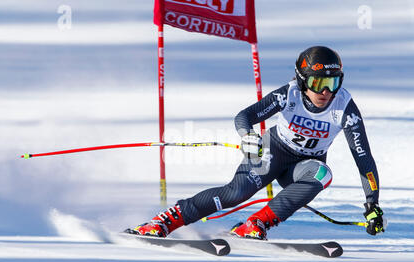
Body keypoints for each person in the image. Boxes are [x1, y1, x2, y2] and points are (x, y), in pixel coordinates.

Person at [128, 45, 385, 239]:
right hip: (272, 151)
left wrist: (372, 203)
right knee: (236, 193)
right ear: (302, 80)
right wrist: (248, 136)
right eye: (319, 84)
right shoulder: (289, 94)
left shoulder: (345, 108)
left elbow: (363, 158)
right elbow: (245, 116)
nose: (326, 92)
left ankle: (256, 224)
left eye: (333, 83)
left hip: (303, 166)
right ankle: (164, 221)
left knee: (323, 174)